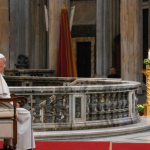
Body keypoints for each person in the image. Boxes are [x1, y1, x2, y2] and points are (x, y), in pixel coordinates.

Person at [0, 53, 35, 150]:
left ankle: (11, 144)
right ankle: (22, 146)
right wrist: (14, 103)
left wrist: (12, 102)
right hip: (3, 107)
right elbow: (2, 97)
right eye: (4, 63)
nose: (5, 66)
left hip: (4, 106)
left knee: (21, 114)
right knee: (26, 114)